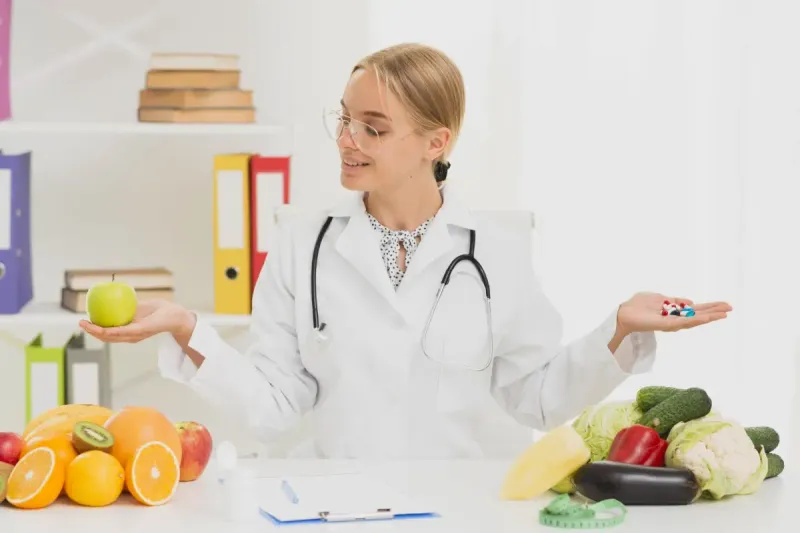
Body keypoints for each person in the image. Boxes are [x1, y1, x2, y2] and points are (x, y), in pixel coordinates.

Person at [80, 43, 732, 459]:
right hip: (339, 510)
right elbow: (275, 410)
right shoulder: (302, 246)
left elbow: (535, 399)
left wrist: (617, 329)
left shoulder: (496, 251)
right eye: (345, 120)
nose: (347, 140)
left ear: (434, 142)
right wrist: (190, 330)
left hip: (467, 511)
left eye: (374, 128)